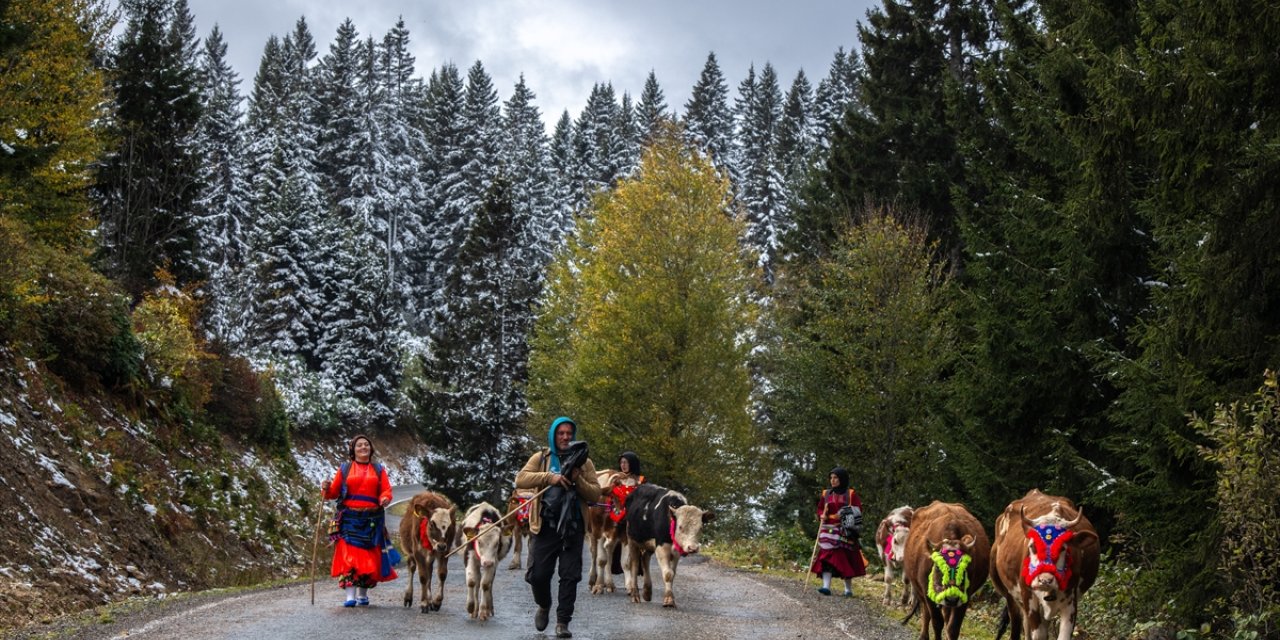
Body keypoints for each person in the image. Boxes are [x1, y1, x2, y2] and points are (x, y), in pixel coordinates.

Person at [516, 417, 602, 639]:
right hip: (545, 525)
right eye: (561, 433)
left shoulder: (585, 463)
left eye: (569, 433)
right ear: (554, 435)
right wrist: (549, 478)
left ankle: (563, 622)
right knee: (538, 576)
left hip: (573, 526)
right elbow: (521, 479)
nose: (565, 437)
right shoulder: (542, 458)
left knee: (570, 576)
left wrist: (578, 480)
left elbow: (595, 494)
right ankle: (544, 605)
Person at [323, 434, 397, 607]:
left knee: (369, 557)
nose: (363, 447)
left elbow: (386, 490)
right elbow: (333, 493)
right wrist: (326, 489)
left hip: (372, 519)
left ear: (371, 449)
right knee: (349, 557)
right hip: (349, 517)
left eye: (366, 445)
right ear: (353, 450)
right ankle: (350, 597)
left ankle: (363, 594)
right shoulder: (345, 469)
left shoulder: (379, 469)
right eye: (359, 445)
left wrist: (385, 498)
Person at [809, 467, 866, 596]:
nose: (832, 480)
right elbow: (820, 509)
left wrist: (846, 514)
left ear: (842, 479)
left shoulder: (851, 494)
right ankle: (826, 587)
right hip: (828, 531)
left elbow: (858, 510)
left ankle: (848, 590)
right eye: (831, 478)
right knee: (826, 557)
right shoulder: (826, 494)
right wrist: (821, 515)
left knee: (846, 558)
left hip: (845, 531)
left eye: (835, 478)